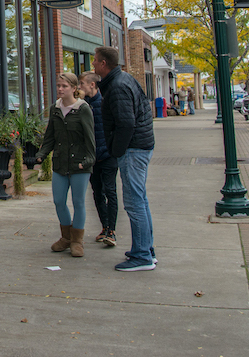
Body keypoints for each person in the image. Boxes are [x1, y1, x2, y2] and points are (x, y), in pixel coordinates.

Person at [95, 46, 157, 271]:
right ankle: (146, 249)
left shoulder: (118, 86)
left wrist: (116, 150)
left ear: (104, 64)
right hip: (139, 146)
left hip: (132, 149)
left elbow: (126, 123)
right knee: (140, 199)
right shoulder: (124, 79)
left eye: (95, 61)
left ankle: (142, 256)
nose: (92, 64)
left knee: (134, 202)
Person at [34, 73, 95, 258]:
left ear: (74, 88)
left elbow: (90, 139)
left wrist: (88, 161)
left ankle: (77, 240)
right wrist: (41, 155)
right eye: (58, 85)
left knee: (78, 202)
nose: (60, 89)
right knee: (59, 201)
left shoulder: (82, 109)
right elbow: (50, 136)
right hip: (60, 162)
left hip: (80, 164)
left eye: (64, 86)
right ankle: (66, 237)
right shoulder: (55, 109)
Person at [82, 72, 118, 246]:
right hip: (92, 158)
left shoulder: (104, 102)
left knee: (110, 191)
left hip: (108, 155)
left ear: (93, 85)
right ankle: (104, 226)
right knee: (97, 193)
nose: (80, 87)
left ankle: (112, 230)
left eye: (82, 83)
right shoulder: (83, 105)